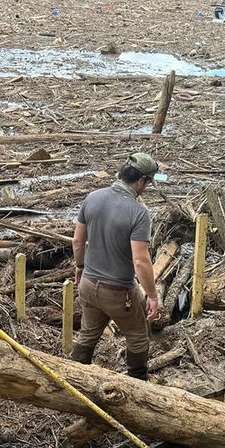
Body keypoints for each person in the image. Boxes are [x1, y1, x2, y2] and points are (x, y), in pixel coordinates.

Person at [71, 152, 161, 381]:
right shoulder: (138, 213)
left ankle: (73, 376)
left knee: (88, 334)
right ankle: (138, 381)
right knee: (138, 336)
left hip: (89, 285)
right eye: (147, 183)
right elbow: (140, 261)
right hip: (119, 292)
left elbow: (78, 241)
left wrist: (80, 268)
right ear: (141, 181)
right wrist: (152, 295)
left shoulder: (92, 197)